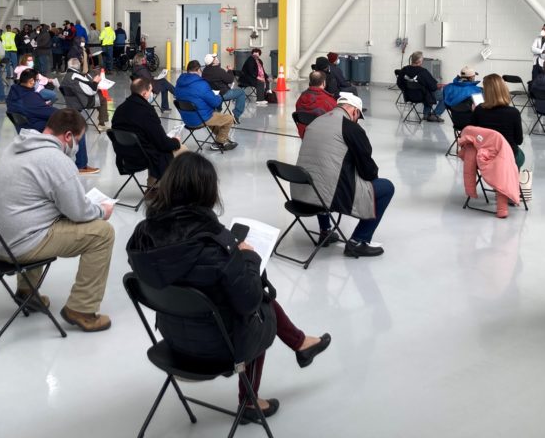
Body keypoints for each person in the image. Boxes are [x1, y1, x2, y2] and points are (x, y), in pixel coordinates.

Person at [127, 153, 331, 424]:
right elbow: (248, 301)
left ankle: (301, 343)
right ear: (209, 191)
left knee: (249, 299)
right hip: (217, 348)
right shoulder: (215, 246)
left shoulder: (143, 236)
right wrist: (247, 256)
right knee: (262, 305)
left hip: (173, 338)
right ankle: (249, 401)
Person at [0, 109, 115, 332]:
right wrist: (102, 211)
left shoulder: (18, 145)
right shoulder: (56, 160)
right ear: (67, 136)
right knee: (103, 233)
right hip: (19, 246)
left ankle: (27, 291)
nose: (76, 146)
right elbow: (79, 213)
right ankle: (82, 309)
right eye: (78, 140)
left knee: (39, 218)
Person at [296, 93, 394, 257]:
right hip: (328, 197)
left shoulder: (315, 122)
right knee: (386, 187)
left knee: (322, 176)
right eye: (358, 116)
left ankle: (325, 230)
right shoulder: (351, 128)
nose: (357, 120)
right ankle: (358, 241)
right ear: (354, 111)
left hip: (302, 194)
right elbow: (368, 171)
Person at [110, 76, 183, 183]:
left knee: (151, 146)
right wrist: (176, 141)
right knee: (182, 150)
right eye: (150, 90)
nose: (152, 93)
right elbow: (162, 143)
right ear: (144, 93)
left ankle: (153, 188)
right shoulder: (146, 112)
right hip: (143, 157)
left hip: (124, 156)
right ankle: (167, 187)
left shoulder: (119, 109)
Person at [175, 60, 237, 150]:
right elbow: (215, 102)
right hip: (199, 119)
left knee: (213, 116)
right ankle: (220, 142)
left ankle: (224, 138)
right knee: (229, 119)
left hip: (186, 120)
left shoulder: (179, 82)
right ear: (198, 70)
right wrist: (219, 96)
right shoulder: (201, 84)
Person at [472, 74, 525, 169]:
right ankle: (513, 181)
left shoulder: (479, 110)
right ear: (504, 89)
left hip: (485, 156)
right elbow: (519, 141)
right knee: (520, 156)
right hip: (507, 155)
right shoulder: (513, 113)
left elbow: (475, 136)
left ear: (486, 92)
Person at [61, 57, 109, 129]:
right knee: (102, 98)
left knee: (99, 96)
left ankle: (101, 120)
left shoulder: (64, 77)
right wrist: (95, 82)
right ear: (79, 65)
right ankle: (101, 124)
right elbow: (91, 91)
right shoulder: (76, 77)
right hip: (82, 103)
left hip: (70, 103)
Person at [395, 51, 444, 122]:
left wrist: (406, 90)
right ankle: (434, 115)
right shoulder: (423, 72)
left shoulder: (404, 70)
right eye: (422, 59)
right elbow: (433, 87)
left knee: (426, 90)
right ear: (419, 61)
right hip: (422, 96)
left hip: (409, 96)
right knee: (444, 97)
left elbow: (399, 83)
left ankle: (426, 115)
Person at [202, 53, 247, 123]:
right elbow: (230, 80)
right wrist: (230, 70)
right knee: (241, 92)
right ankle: (236, 114)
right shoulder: (219, 70)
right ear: (212, 61)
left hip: (211, 94)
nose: (217, 58)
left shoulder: (204, 71)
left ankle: (217, 111)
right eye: (215, 58)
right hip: (223, 94)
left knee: (216, 91)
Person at [294, 71, 336, 138]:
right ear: (323, 83)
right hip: (322, 136)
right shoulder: (328, 101)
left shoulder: (301, 98)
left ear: (310, 82)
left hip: (304, 134)